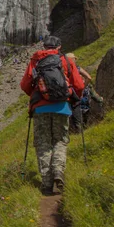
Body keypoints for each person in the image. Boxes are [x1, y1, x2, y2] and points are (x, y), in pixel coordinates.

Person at [20, 36, 85, 195]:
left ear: (44, 46)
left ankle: (46, 183)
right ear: (59, 46)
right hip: (62, 107)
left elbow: (25, 85)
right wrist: (73, 98)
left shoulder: (35, 60)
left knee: (43, 143)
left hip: (40, 109)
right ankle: (58, 171)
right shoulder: (66, 61)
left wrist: (38, 94)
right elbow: (79, 85)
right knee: (60, 140)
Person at [66, 53, 104, 130]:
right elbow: (89, 78)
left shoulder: (64, 71)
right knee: (84, 115)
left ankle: (79, 131)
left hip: (72, 96)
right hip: (83, 94)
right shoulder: (78, 68)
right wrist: (83, 87)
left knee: (76, 118)